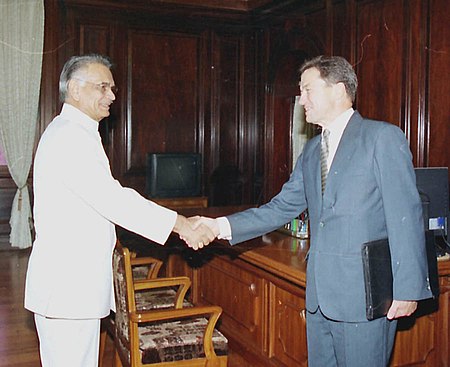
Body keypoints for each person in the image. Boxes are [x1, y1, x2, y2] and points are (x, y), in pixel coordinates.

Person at [192, 55, 432, 366]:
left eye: (307, 90)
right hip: (320, 297)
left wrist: (408, 289)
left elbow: (406, 215)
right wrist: (217, 226)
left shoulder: (381, 137)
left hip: (364, 299)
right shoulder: (311, 151)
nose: (301, 99)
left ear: (338, 90)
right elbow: (280, 208)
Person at [24, 54, 214, 367]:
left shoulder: (76, 131)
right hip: (67, 288)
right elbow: (114, 200)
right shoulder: (70, 136)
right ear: (74, 89)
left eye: (112, 88)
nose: (112, 96)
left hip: (71, 286)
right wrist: (181, 223)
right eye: (103, 87)